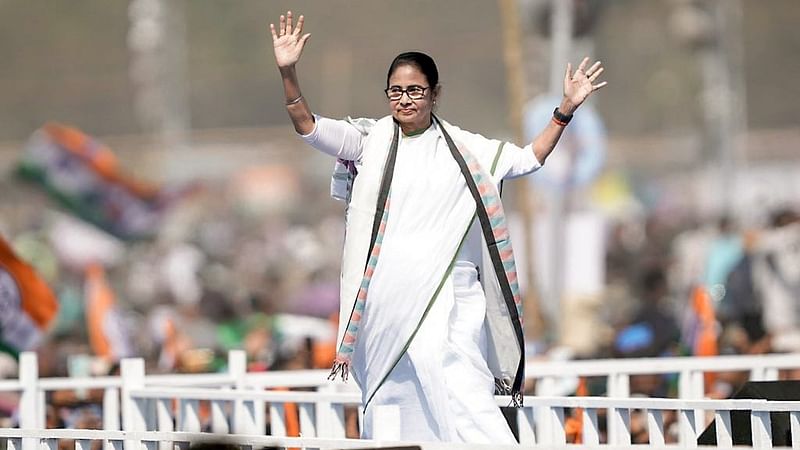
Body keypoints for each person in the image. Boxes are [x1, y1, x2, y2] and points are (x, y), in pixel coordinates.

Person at [269, 10, 606, 443]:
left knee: (463, 393)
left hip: (450, 302)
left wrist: (564, 110)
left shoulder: (465, 149)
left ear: (434, 93)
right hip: (386, 306)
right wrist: (288, 72)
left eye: (414, 90)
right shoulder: (369, 141)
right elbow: (309, 128)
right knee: (393, 405)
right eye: (396, 91)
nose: (404, 99)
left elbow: (527, 159)